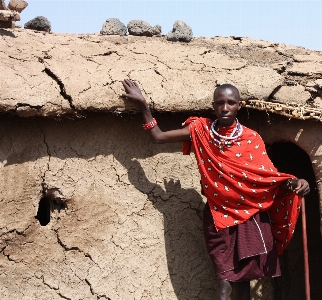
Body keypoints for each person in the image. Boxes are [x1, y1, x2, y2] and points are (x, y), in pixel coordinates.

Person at [122, 79, 310, 300]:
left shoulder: (251, 138)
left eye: (231, 103)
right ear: (213, 106)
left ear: (239, 106)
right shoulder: (201, 130)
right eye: (220, 103)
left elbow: (267, 179)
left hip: (248, 218)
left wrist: (294, 182)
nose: (225, 108)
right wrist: (143, 105)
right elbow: (159, 137)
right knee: (224, 283)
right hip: (217, 218)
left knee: (242, 285)